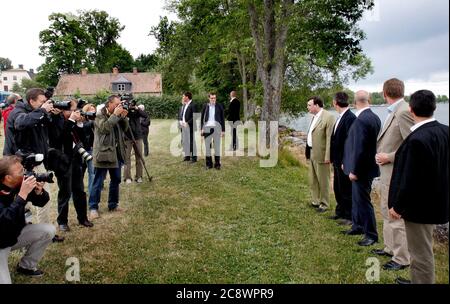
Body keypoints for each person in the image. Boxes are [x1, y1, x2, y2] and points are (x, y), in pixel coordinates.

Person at [389, 90, 448, 284]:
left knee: (419, 251)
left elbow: (410, 179)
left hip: (420, 207)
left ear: (411, 109)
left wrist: (397, 206)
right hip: (439, 200)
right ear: (434, 107)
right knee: (422, 247)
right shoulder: (445, 131)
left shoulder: (416, 139)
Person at [372, 78, 414, 271]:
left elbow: (411, 146)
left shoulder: (404, 111)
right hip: (386, 172)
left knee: (395, 216)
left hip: (396, 172)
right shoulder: (394, 110)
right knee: (385, 210)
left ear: (384, 92)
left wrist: (388, 156)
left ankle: (402, 258)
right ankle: (389, 248)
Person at [0, 155, 55, 284]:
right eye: (20, 172)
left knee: (48, 230)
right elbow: (4, 223)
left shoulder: (18, 184)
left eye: (23, 169)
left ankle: (26, 266)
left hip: (13, 236)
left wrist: (38, 192)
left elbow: (41, 202)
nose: (24, 173)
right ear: (8, 178)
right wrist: (22, 195)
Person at [342, 90, 381, 246]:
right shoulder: (374, 117)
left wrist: (355, 171)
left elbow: (360, 149)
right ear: (369, 100)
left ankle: (371, 234)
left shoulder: (362, 120)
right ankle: (358, 226)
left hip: (362, 169)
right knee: (357, 200)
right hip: (368, 166)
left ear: (354, 102)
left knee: (363, 201)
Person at [48, 99, 93, 232]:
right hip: (62, 161)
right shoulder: (55, 119)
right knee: (65, 192)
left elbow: (83, 140)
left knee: (79, 190)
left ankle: (82, 218)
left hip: (76, 159)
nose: (74, 112)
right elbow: (58, 139)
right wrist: (72, 121)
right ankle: (62, 221)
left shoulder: (72, 121)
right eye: (71, 110)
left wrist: (79, 124)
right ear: (63, 109)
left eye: (74, 110)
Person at [88, 95, 129, 220]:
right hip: (104, 153)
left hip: (116, 153)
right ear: (109, 104)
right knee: (98, 182)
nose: (118, 106)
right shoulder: (99, 115)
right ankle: (93, 208)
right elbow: (105, 128)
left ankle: (113, 204)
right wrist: (115, 115)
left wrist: (123, 118)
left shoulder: (116, 114)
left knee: (116, 179)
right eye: (116, 104)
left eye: (119, 104)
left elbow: (125, 129)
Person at [305, 96, 336, 213]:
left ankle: (324, 203)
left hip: (322, 154)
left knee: (323, 180)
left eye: (309, 105)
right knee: (313, 179)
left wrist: (328, 156)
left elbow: (329, 138)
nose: (307, 107)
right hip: (312, 152)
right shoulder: (314, 117)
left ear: (317, 105)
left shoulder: (329, 117)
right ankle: (315, 200)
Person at [330, 92, 356, 225]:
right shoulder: (340, 117)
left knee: (346, 189)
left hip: (344, 161)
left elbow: (350, 142)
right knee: (337, 187)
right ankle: (340, 211)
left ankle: (349, 216)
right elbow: (335, 139)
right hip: (336, 159)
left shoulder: (350, 118)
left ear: (335, 102)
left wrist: (347, 161)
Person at [123, 101, 148, 184]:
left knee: (139, 157)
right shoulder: (124, 111)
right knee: (127, 158)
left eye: (131, 104)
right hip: (127, 137)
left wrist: (137, 109)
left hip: (138, 136)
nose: (130, 105)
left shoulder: (137, 111)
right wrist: (125, 109)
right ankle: (127, 177)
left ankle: (139, 176)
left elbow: (145, 115)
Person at [200, 93, 225, 169]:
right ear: (209, 98)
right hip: (207, 128)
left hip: (217, 128)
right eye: (212, 98)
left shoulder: (219, 106)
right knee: (208, 147)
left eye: (214, 98)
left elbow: (222, 118)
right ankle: (208, 164)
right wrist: (201, 128)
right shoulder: (205, 106)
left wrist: (223, 130)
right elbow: (202, 118)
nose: (213, 100)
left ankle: (217, 164)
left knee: (217, 147)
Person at [81, 103, 96, 195]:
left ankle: (92, 193)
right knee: (80, 173)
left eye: (94, 110)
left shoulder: (95, 121)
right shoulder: (82, 122)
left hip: (91, 149)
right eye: (90, 110)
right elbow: (84, 127)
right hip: (82, 150)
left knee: (92, 173)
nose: (93, 112)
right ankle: (79, 192)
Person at [180, 92, 197, 162]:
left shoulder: (193, 105)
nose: (183, 97)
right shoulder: (184, 105)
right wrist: (181, 121)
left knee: (191, 142)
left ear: (187, 97)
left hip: (190, 126)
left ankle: (194, 157)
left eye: (183, 96)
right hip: (183, 126)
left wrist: (188, 123)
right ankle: (187, 156)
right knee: (185, 142)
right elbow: (183, 115)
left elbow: (195, 116)